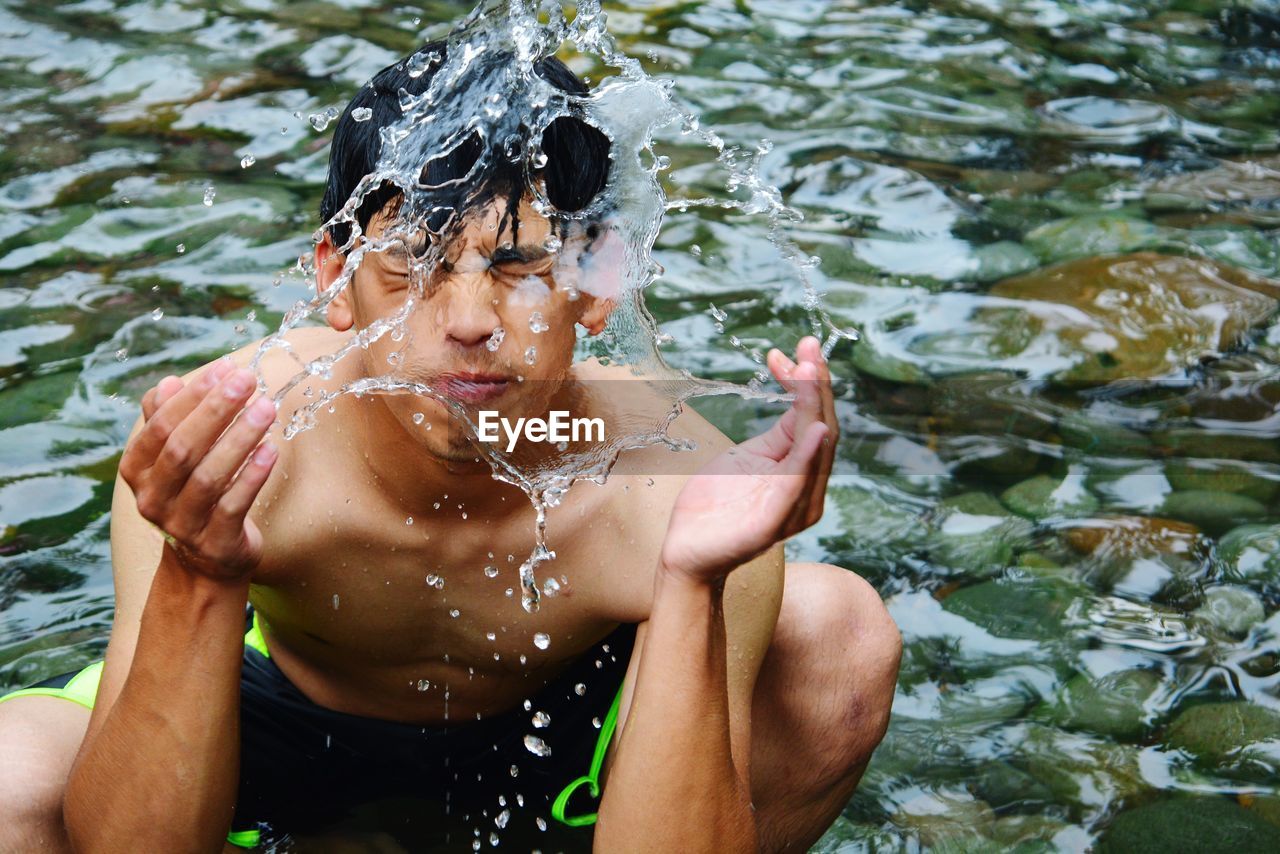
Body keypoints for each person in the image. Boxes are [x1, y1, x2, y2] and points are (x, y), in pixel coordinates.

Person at [0, 39, 901, 854]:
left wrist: (697, 581)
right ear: (335, 280)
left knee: (839, 634)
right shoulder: (232, 440)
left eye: (521, 269)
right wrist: (201, 571)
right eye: (412, 263)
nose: (468, 323)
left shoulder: (665, 480)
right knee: (11, 781)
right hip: (275, 724)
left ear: (598, 280)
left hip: (561, 745)